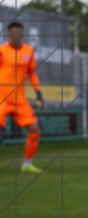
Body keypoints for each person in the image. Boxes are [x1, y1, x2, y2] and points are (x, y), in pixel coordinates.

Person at [0, 21, 45, 173]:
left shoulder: (28, 51)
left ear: (22, 34)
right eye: (13, 32)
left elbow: (32, 74)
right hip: (2, 98)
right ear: (8, 34)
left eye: (19, 32)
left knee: (34, 130)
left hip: (19, 100)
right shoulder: (2, 51)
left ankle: (27, 164)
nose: (16, 34)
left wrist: (38, 94)